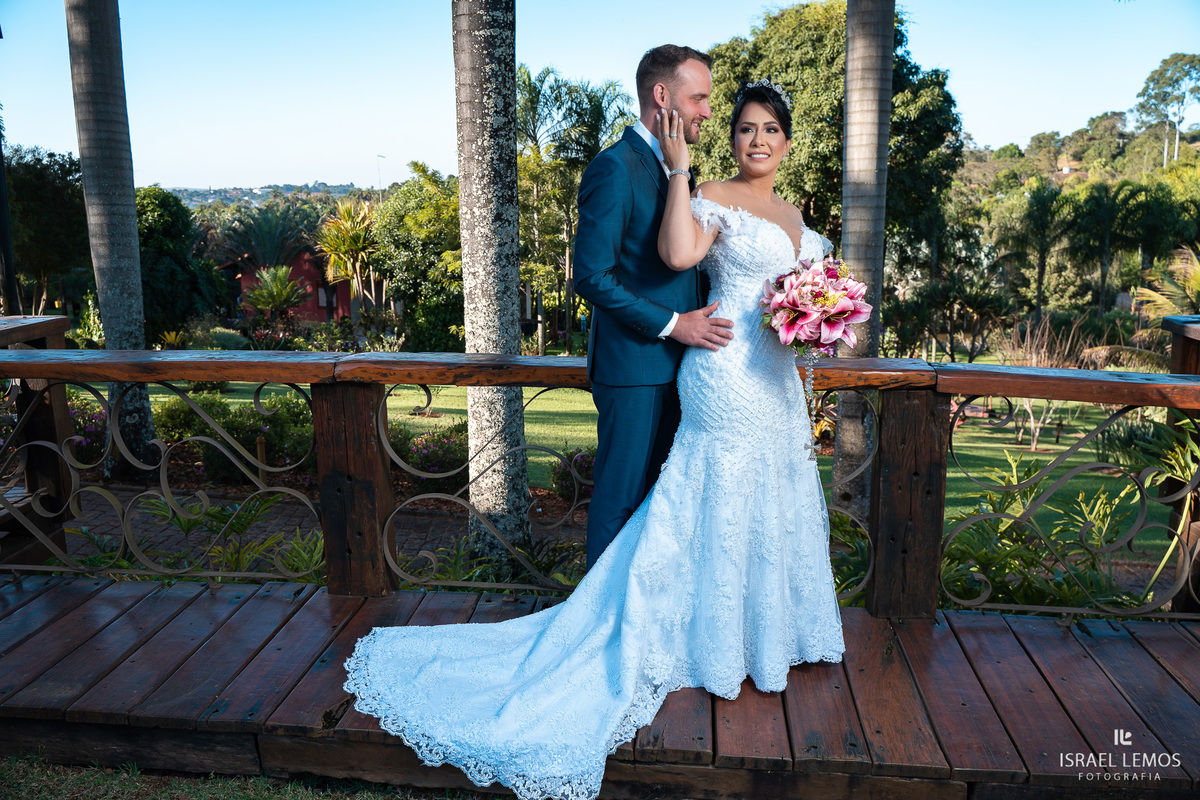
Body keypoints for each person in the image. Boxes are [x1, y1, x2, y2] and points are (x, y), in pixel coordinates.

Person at [343, 77, 845, 800]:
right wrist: (679, 169)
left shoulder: (798, 215)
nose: (756, 140)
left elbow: (816, 298)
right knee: (716, 499)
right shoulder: (716, 199)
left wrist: (826, 321)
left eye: (769, 130)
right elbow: (676, 256)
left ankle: (762, 638)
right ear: (732, 140)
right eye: (743, 129)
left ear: (789, 142)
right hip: (727, 374)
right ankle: (698, 643)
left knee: (773, 500)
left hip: (779, 386)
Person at [573, 44, 735, 569]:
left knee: (659, 506)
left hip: (683, 371)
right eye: (700, 98)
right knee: (621, 500)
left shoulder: (673, 167)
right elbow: (591, 275)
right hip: (633, 370)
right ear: (662, 95)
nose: (708, 111)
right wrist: (673, 325)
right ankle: (595, 633)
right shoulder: (615, 168)